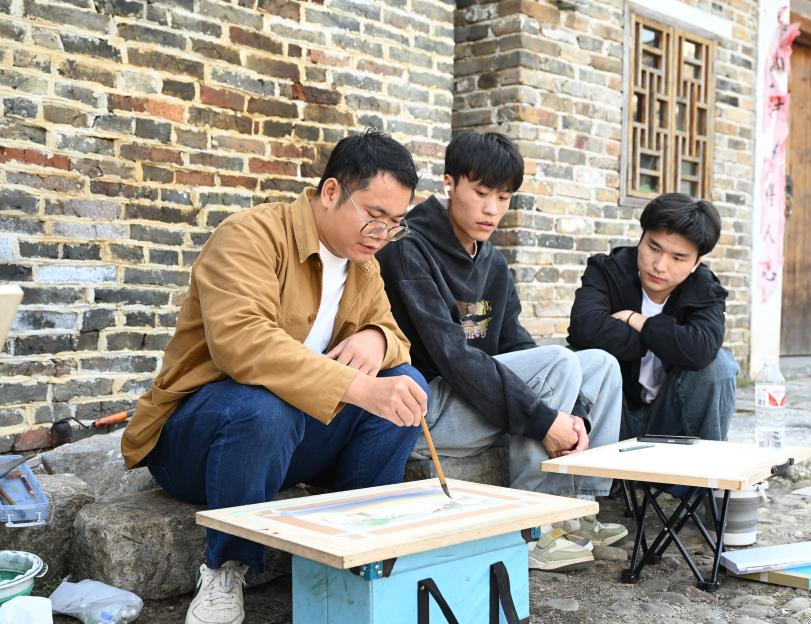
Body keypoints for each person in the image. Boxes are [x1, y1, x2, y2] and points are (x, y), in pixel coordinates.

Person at [121, 130, 430, 624]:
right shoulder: (250, 235)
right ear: (331, 191)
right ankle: (225, 567)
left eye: (395, 224)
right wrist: (357, 387)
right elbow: (242, 343)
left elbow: (397, 337)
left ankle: (352, 549)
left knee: (407, 383)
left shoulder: (364, 267)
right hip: (201, 442)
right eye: (375, 215)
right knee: (267, 406)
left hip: (289, 442)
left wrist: (376, 338)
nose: (381, 234)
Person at [377, 131, 627, 572]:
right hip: (427, 411)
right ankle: (531, 529)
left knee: (601, 365)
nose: (492, 209)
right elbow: (454, 358)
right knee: (558, 362)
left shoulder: (492, 261)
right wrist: (544, 419)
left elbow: (516, 344)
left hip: (479, 398)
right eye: (481, 193)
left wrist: (571, 416)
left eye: (504, 197)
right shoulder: (409, 248)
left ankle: (576, 512)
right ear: (450, 183)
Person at [567, 192, 739, 443]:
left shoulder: (705, 289)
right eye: (653, 248)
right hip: (614, 414)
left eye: (678, 258)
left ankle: (704, 466)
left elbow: (702, 349)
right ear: (641, 238)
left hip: (671, 417)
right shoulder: (608, 270)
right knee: (576, 358)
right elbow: (583, 328)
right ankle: (588, 465)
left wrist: (638, 322)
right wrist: (669, 342)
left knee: (719, 366)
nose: (659, 265)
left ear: (696, 262)